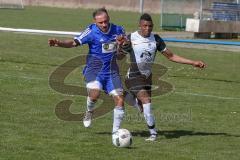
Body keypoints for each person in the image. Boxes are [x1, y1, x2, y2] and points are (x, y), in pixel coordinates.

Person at [117, 13, 206, 141]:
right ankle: (153, 134)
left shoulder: (156, 39)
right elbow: (119, 56)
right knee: (146, 101)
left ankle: (131, 99)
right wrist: (120, 46)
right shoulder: (131, 38)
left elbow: (171, 56)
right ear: (140, 26)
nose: (148, 28)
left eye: (150, 26)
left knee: (144, 107)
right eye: (145, 26)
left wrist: (193, 62)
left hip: (147, 77)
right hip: (133, 76)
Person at [48, 8, 126, 135]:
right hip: (94, 71)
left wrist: (121, 46)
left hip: (112, 72)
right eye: (100, 22)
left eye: (106, 21)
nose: (104, 25)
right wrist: (59, 43)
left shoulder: (119, 30)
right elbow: (74, 43)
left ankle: (115, 133)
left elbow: (121, 56)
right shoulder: (91, 31)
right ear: (95, 22)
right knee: (94, 95)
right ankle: (89, 112)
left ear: (109, 18)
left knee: (120, 100)